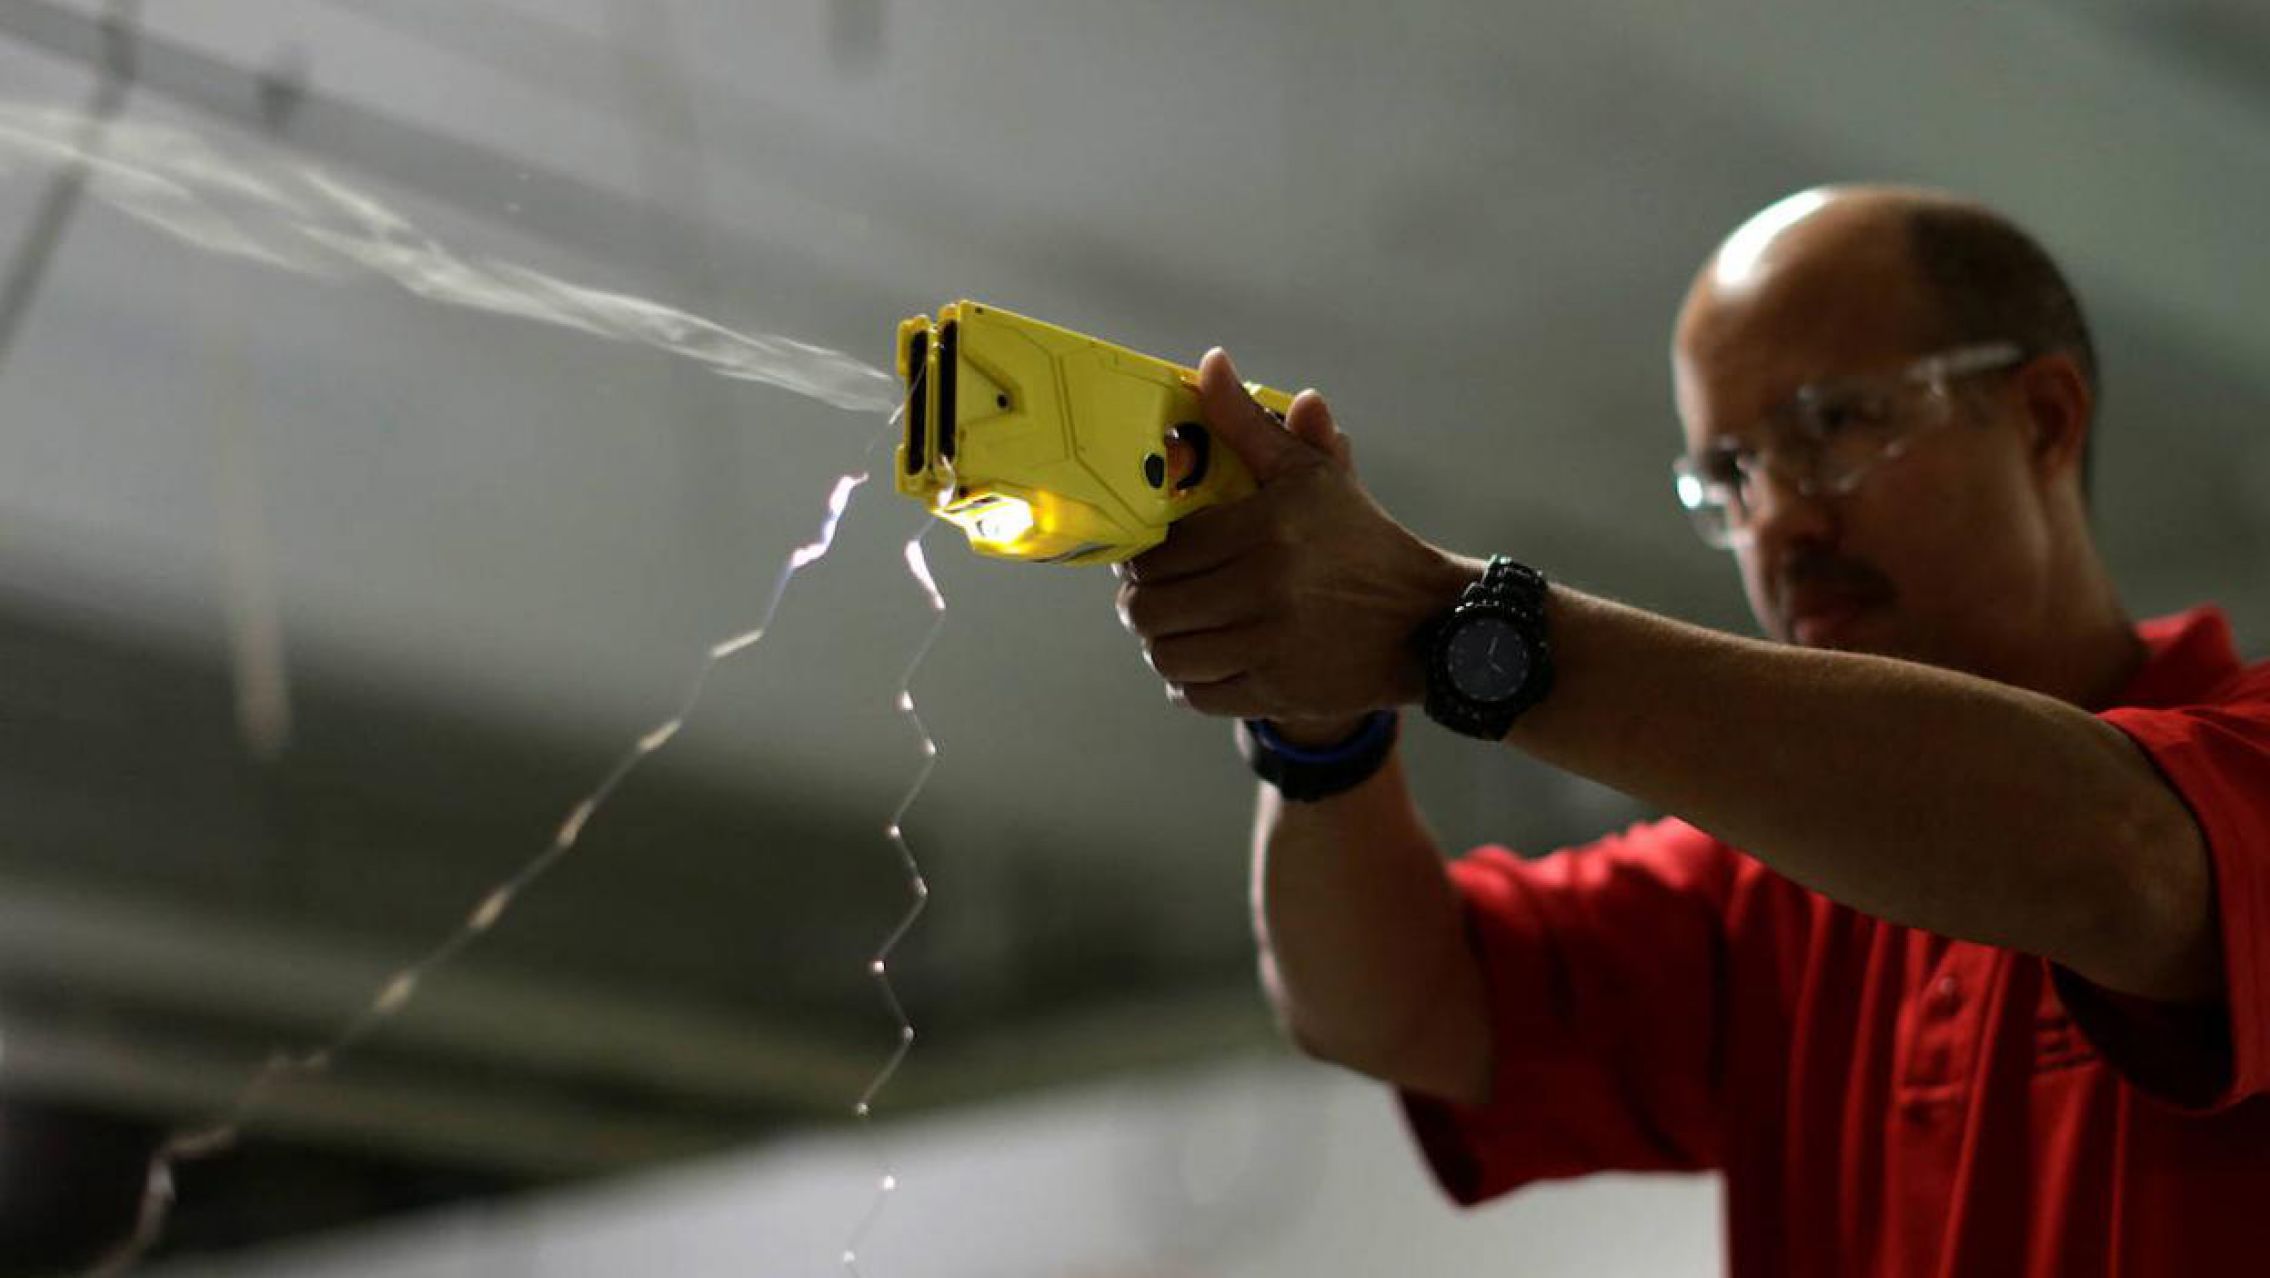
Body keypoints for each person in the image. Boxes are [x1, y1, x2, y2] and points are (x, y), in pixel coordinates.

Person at [1114, 184, 2270, 1275]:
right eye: (1731, 471)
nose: (1779, 520)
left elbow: (2112, 862)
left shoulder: (2234, 768)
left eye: (1830, 428)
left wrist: (1447, 625)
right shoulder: (1766, 892)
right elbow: (1392, 1006)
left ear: (2043, 419)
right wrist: (1323, 732)